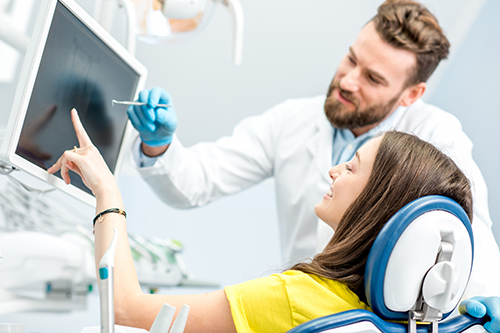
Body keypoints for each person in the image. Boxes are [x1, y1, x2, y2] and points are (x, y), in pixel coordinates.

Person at [126, 0, 500, 299]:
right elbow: (197, 181)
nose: (348, 81)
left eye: (372, 78)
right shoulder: (293, 121)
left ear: (411, 94)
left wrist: (489, 299)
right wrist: (158, 145)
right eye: (352, 59)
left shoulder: (436, 136)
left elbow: (470, 236)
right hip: (302, 304)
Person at [48, 109, 500, 333]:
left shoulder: (296, 297)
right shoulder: (395, 321)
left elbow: (125, 306)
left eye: (352, 167)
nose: (332, 171)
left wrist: (107, 192)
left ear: (377, 205)